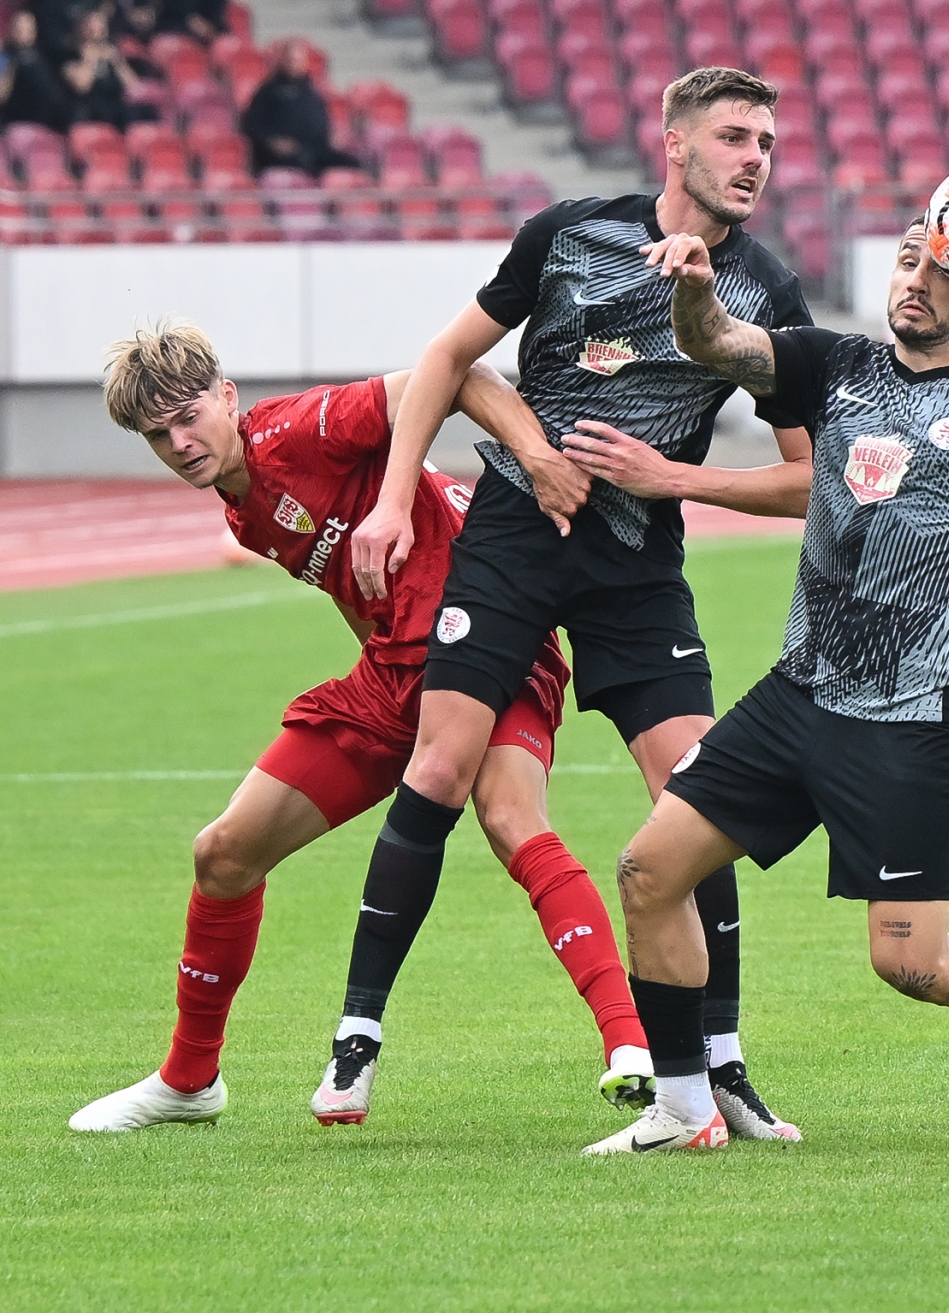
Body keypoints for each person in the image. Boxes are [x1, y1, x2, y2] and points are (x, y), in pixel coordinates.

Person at [346, 66, 814, 1143]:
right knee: (440, 766)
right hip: (515, 536)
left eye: (767, 142)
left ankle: (721, 1068)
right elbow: (448, 358)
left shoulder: (766, 293)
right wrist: (393, 501)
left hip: (637, 563)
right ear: (674, 142)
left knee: (699, 793)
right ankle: (356, 1038)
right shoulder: (567, 235)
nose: (755, 158)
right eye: (735, 137)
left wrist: (674, 477)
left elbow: (807, 478)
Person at [590, 217, 949, 1155]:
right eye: (907, 261)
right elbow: (716, 343)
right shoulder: (832, 365)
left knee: (908, 962)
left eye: (942, 271)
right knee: (648, 872)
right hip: (796, 695)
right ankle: (685, 1109)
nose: (916, 281)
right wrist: (696, 289)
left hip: (909, 720)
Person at [69, 322, 652, 1132]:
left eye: (188, 417)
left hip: (492, 643)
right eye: (157, 434)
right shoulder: (243, 512)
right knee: (223, 854)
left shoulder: (300, 428)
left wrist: (536, 457)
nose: (180, 443)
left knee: (512, 819)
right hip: (395, 674)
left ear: (227, 397)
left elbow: (459, 372)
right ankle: (189, 1080)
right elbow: (360, 589)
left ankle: (631, 1045)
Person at [240, 41, 358, 177]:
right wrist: (272, 142)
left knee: (352, 163)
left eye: (298, 61)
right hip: (283, 154)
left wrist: (330, 137)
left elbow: (322, 122)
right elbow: (252, 125)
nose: (294, 64)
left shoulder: (312, 91)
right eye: (290, 60)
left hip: (315, 149)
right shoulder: (267, 91)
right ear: (282, 61)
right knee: (301, 162)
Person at [63, 9, 152, 129]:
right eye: (92, 27)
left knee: (144, 112)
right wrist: (90, 60)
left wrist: (118, 62)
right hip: (90, 112)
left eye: (101, 26)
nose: (97, 31)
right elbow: (82, 87)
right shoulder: (71, 56)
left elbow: (134, 86)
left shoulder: (112, 54)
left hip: (116, 108)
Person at [2, 11, 70, 131]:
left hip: (45, 122)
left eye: (27, 29)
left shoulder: (42, 58)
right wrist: (13, 67)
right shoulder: (4, 57)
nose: (22, 33)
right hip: (14, 123)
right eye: (18, 29)